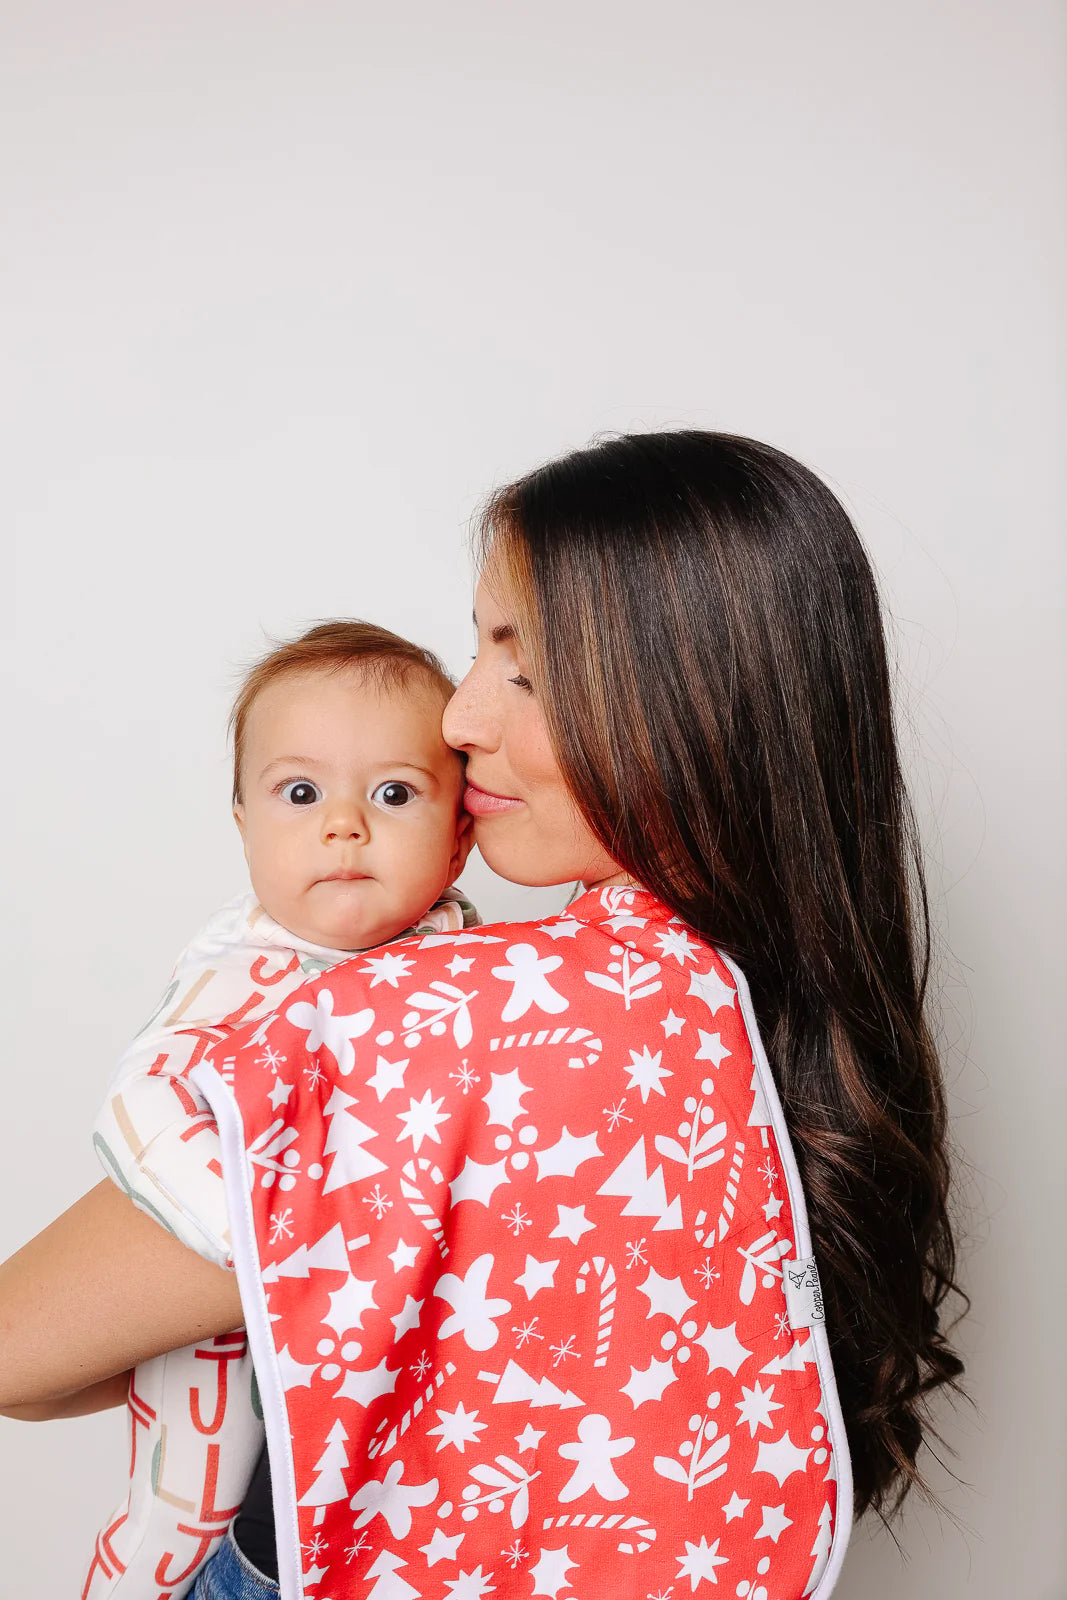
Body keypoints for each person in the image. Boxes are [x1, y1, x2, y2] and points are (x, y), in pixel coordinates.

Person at [0, 432, 964, 1600]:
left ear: (685, 703)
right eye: (475, 648)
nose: (457, 719)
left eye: (525, 668)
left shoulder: (430, 1019)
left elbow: (19, 1351)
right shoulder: (774, 1009)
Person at [85, 619, 478, 1597]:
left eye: (393, 793)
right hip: (222, 1317)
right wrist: (269, 1244)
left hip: (375, 1372)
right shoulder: (246, 972)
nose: (343, 823)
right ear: (243, 821)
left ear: (461, 829)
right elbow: (139, 1112)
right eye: (300, 793)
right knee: (178, 1512)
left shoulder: (464, 960)